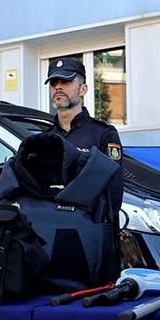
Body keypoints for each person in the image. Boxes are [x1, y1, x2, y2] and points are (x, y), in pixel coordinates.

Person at [41, 58, 124, 212]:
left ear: (83, 89)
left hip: (88, 227)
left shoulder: (103, 133)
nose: (58, 87)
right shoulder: (44, 139)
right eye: (53, 83)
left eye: (66, 82)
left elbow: (114, 189)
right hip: (50, 227)